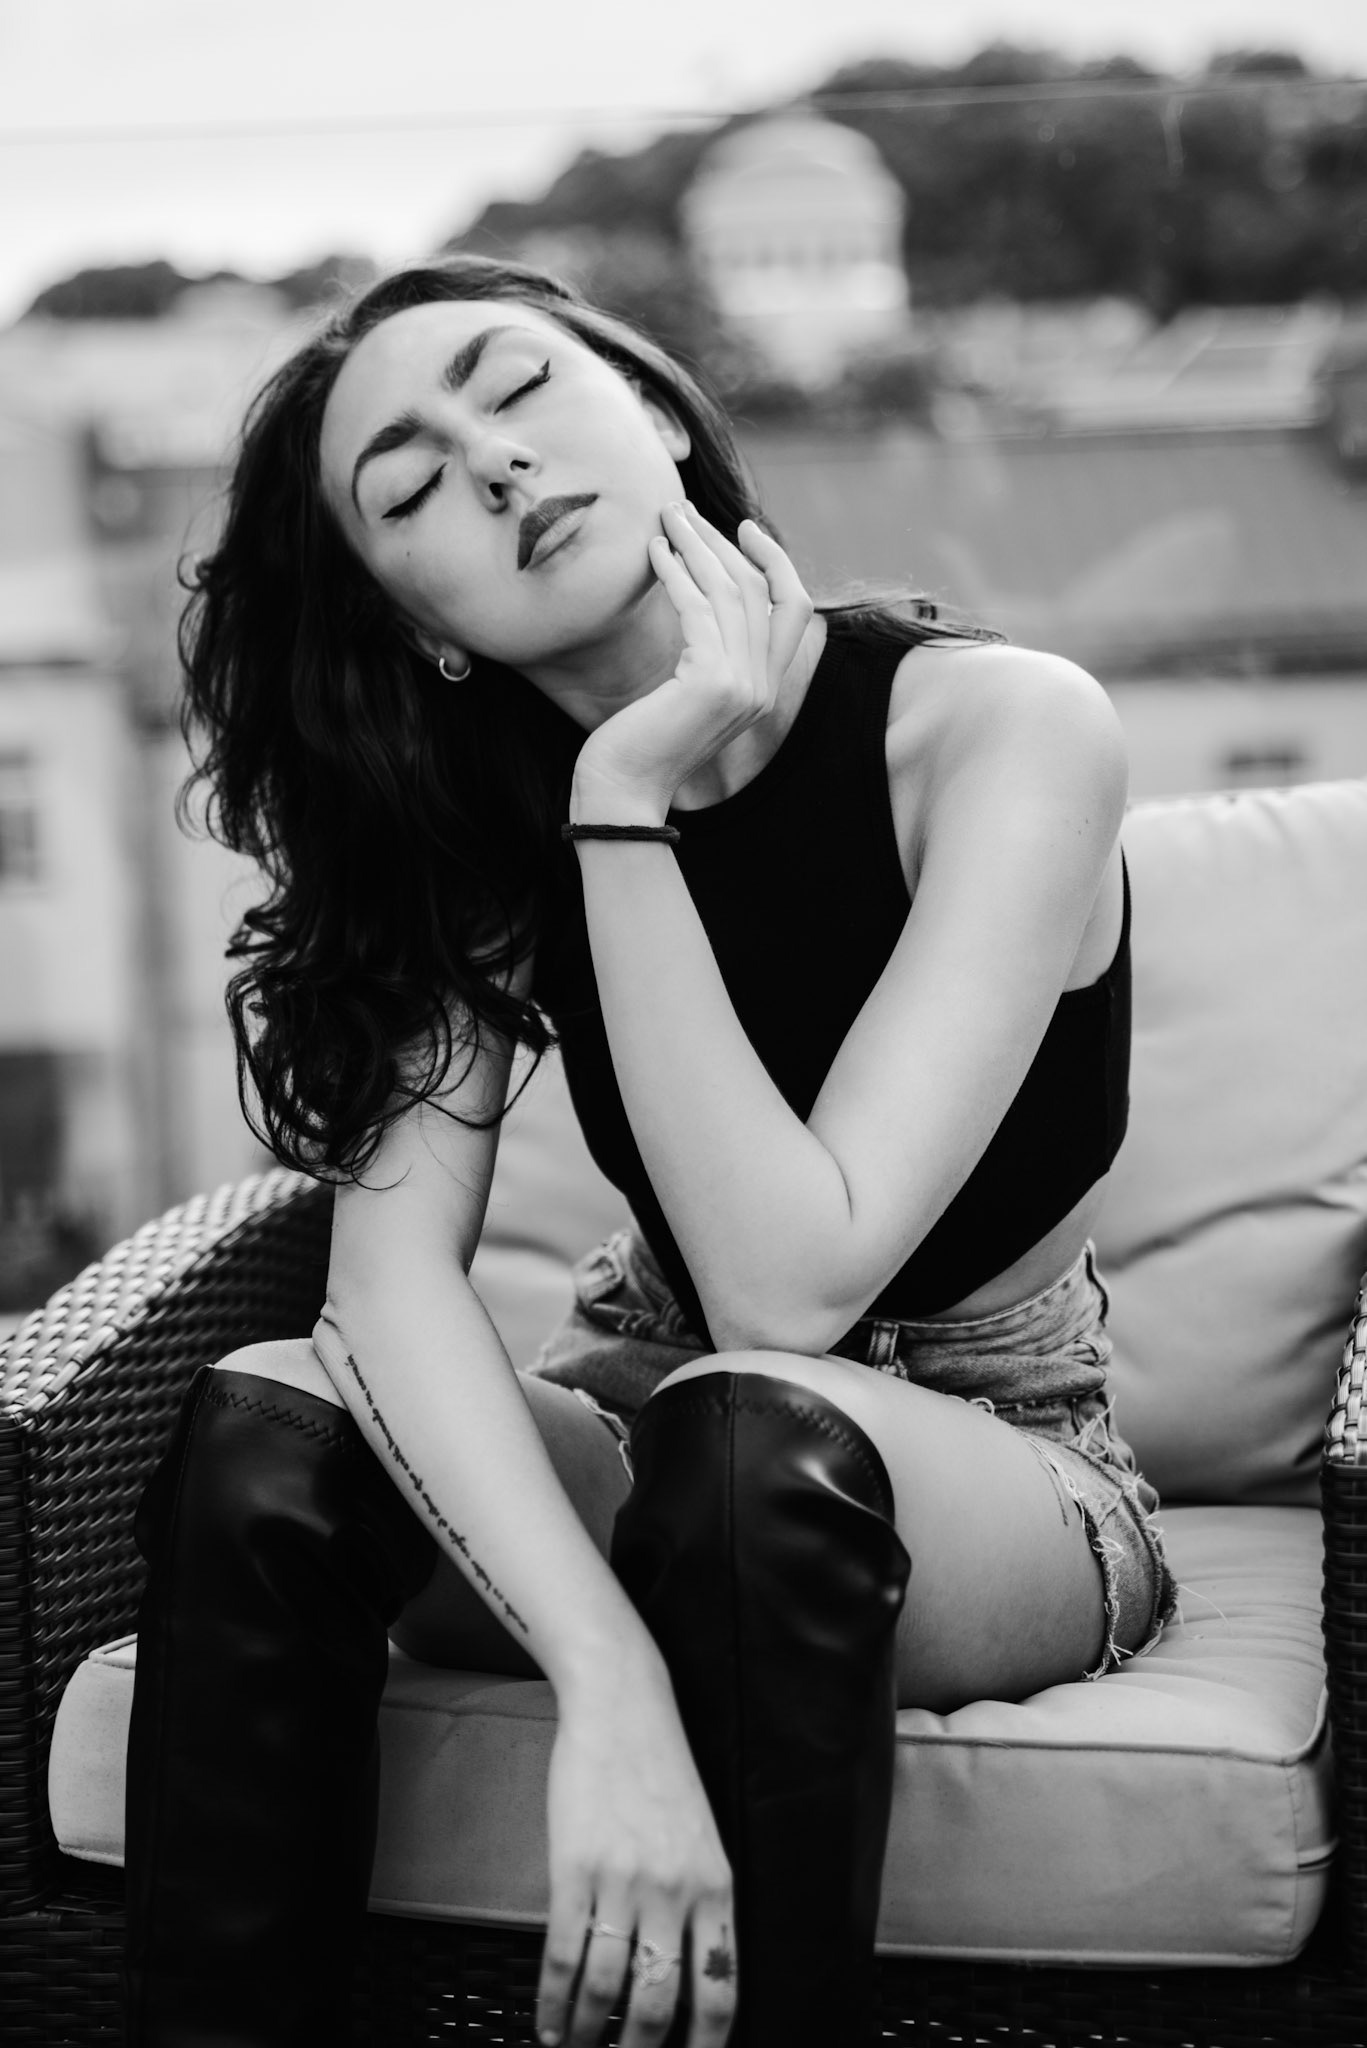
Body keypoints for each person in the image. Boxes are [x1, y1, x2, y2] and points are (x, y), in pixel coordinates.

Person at [122, 253, 1177, 2048]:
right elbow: (385, 1292)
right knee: (270, 1427)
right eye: (411, 488)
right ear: (423, 628)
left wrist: (624, 805)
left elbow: (790, 1291)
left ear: (660, 414)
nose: (495, 466)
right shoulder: (474, 828)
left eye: (518, 392)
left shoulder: (1001, 728)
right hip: (654, 1418)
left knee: (753, 1440)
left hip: (994, 1462)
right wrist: (603, 1679)